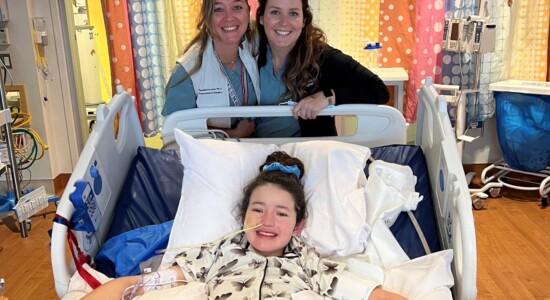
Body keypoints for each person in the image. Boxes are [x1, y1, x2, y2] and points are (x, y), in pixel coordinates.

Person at [83, 151, 406, 299]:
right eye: (258, 210)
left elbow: (367, 293)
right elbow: (139, 286)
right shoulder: (214, 255)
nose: (267, 221)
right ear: (242, 216)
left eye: (282, 213)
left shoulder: (310, 261)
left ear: (298, 226)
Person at [254, 0, 391, 138]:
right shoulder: (249, 55)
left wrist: (328, 96)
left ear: (304, 20)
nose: (284, 22)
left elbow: (379, 90)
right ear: (261, 18)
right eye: (275, 12)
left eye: (293, 13)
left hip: (310, 152)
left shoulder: (322, 58)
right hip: (256, 149)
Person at [162, 0, 261, 138]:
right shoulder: (187, 71)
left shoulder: (256, 47)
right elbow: (174, 130)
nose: (229, 17)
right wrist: (232, 134)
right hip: (208, 152)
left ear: (248, 12)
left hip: (256, 146)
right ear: (206, 16)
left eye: (237, 7)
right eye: (218, 9)